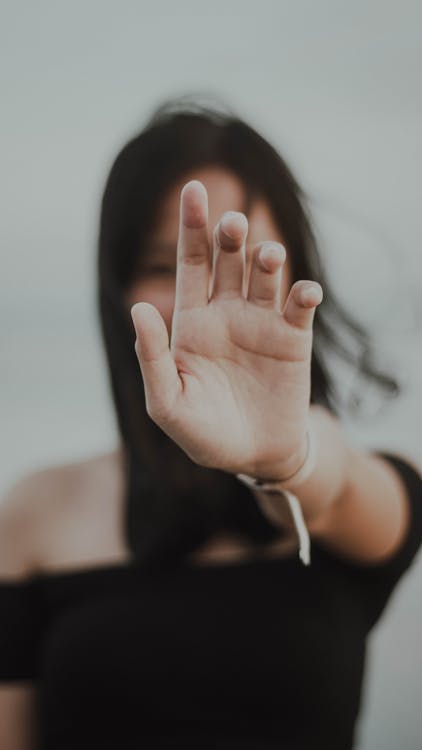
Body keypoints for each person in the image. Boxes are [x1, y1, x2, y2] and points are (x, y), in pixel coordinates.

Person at [0, 97, 421, 750]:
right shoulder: (32, 515)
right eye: (155, 265)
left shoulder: (354, 489)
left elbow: (333, 486)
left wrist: (282, 461)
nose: (203, 303)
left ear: (298, 273)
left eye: (243, 260)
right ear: (114, 291)